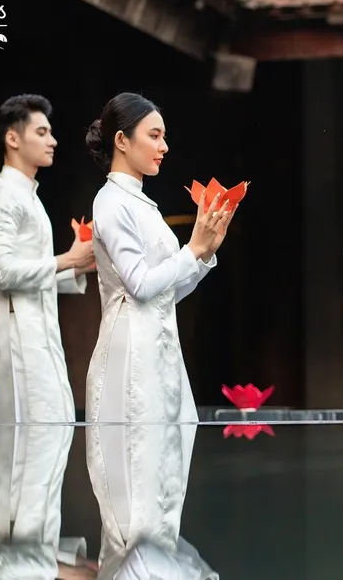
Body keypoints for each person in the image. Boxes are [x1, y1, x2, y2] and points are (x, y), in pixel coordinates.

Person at [82, 91, 234, 568]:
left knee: (166, 467)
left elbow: (167, 291)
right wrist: (192, 251)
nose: (164, 146)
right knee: (138, 468)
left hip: (161, 346)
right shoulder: (111, 202)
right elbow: (142, 286)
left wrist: (204, 254)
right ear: (122, 140)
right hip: (130, 351)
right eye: (155, 135)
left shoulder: (142, 204)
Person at [0, 93, 95, 577]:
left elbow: (30, 271)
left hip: (38, 337)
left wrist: (75, 264)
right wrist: (68, 259)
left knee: (49, 433)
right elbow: (1, 270)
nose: (52, 140)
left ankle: (46, 552)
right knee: (29, 440)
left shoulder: (28, 195)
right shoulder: (2, 196)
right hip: (17, 344)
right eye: (41, 132)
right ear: (13, 137)